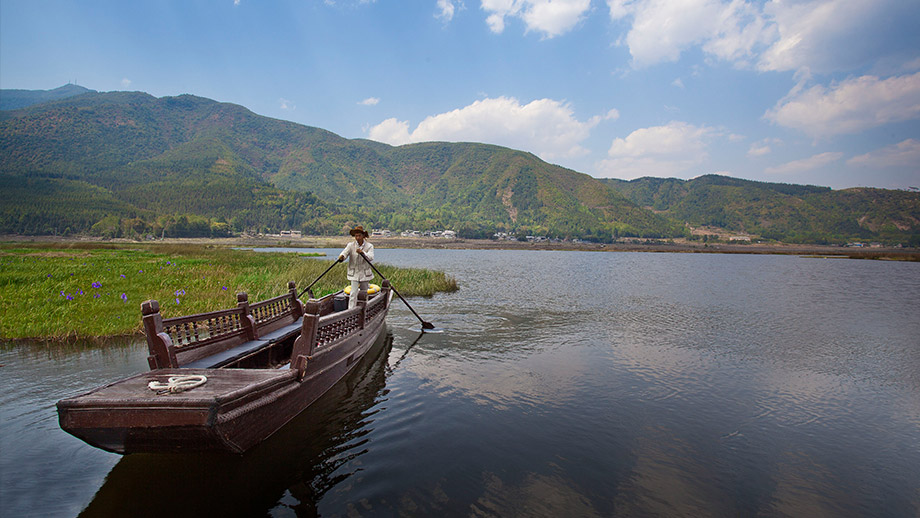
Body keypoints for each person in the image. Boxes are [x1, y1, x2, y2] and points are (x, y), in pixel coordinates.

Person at [338, 226, 374, 309]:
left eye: (359, 236)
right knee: (353, 293)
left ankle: (364, 309)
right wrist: (342, 257)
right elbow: (345, 253)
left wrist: (363, 253)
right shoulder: (351, 245)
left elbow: (371, 257)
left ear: (363, 236)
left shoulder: (369, 246)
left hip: (365, 274)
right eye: (356, 236)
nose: (357, 238)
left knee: (364, 294)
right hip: (354, 273)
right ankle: (351, 311)